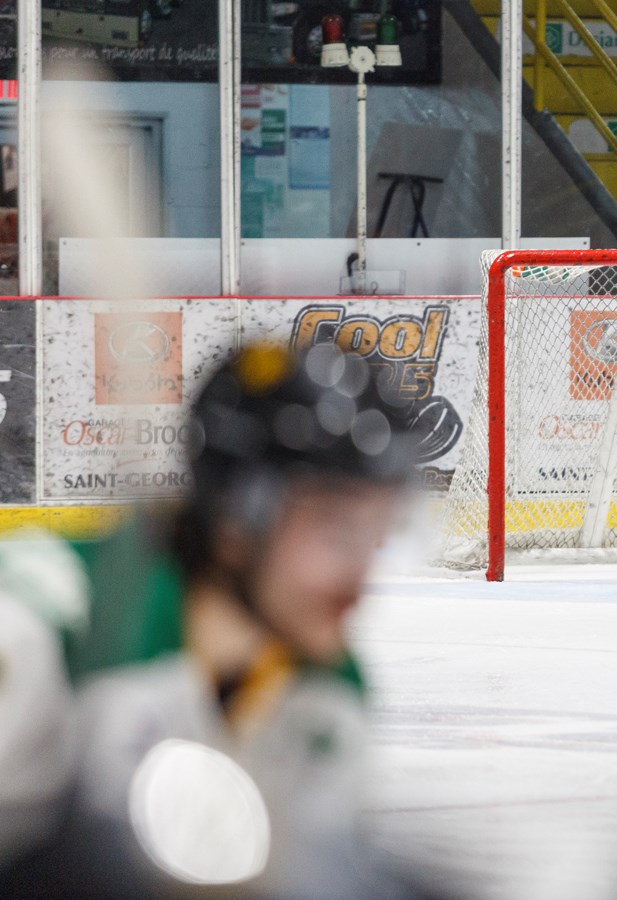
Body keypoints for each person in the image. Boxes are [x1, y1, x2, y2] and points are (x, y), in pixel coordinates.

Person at [0, 343, 445, 899]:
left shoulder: (328, 695)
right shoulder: (35, 624)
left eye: (378, 533)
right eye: (337, 532)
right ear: (238, 523)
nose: (359, 580)